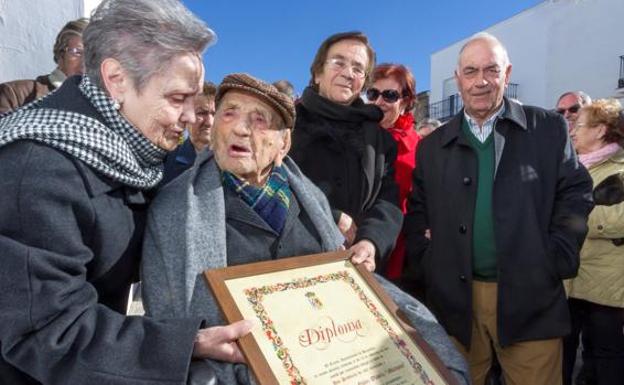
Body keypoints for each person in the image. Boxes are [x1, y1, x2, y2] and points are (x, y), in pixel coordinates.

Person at [141, 72, 470, 385]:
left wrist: (433, 356)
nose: (240, 129)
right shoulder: (174, 212)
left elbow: (356, 287)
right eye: (229, 113)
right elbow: (172, 331)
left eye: (259, 120)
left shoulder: (312, 203)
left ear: (283, 145)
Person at [0, 1, 253, 384]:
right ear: (116, 79)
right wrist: (186, 344)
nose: (191, 117)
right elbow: (48, 331)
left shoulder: (129, 157)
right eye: (177, 98)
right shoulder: (37, 168)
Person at [404, 32, 594, 385]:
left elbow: (576, 191)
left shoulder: (547, 128)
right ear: (458, 78)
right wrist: (429, 261)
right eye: (471, 71)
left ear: (507, 74)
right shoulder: (432, 149)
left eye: (491, 70)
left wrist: (558, 254)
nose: (481, 81)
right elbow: (418, 210)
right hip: (455, 302)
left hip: (531, 299)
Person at [290, 31, 403, 273]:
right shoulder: (285, 126)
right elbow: (267, 187)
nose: (348, 73)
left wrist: (370, 241)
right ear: (318, 72)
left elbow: (387, 201)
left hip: (355, 267)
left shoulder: (380, 140)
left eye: (358, 68)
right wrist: (327, 217)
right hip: (294, 263)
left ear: (364, 81)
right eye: (339, 62)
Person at [563, 99, 624, 385]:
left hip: (605, 287)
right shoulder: (569, 167)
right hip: (568, 280)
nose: (571, 131)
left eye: (579, 125)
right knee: (561, 353)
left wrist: (573, 216)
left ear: (600, 130)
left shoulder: (620, 169)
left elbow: (619, 219)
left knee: (604, 357)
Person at [366, 63, 420, 281]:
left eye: (389, 95)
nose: (379, 102)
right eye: (373, 94)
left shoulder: (420, 146)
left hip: (404, 249)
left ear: (405, 102)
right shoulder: (357, 135)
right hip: (361, 240)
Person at [0, 18, 89, 114]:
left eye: (94, 54)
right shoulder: (15, 95)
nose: (85, 62)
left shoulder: (102, 103)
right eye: (77, 52)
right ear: (60, 54)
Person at [161, 81, 217, 185]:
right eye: (201, 113)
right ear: (185, 117)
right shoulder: (165, 163)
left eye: (214, 114)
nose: (210, 122)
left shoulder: (232, 163)